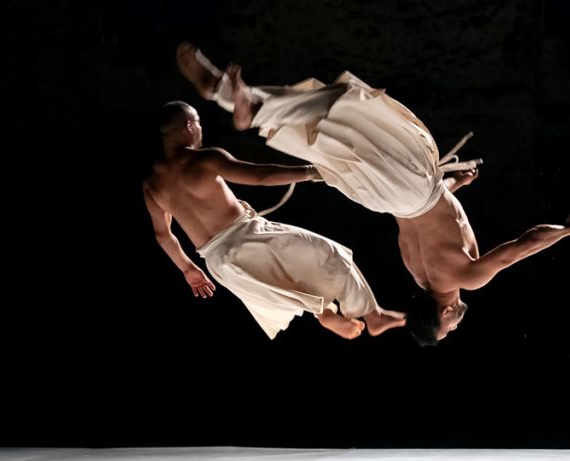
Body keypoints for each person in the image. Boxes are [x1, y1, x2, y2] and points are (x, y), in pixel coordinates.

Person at [177, 44, 570, 346]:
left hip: (411, 189)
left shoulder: (466, 277)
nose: (456, 327)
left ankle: (244, 101)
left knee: (351, 112)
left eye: (449, 329)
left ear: (446, 312)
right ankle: (238, 98)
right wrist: (454, 187)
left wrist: (568, 230)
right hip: (382, 198)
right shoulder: (416, 270)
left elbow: (522, 245)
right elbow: (422, 216)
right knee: (340, 122)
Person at [143, 100, 405, 340]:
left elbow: (163, 236)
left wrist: (188, 269)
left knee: (288, 283)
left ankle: (324, 311)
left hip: (220, 263)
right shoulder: (204, 159)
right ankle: (372, 315)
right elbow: (260, 176)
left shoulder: (152, 185)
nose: (201, 130)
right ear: (189, 126)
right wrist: (312, 172)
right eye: (198, 123)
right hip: (248, 236)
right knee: (328, 254)